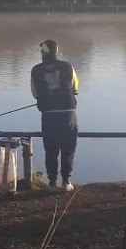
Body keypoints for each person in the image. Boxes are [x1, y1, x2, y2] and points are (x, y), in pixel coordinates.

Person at [30, 39, 79, 191]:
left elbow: (35, 94)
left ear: (43, 53)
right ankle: (66, 182)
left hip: (49, 114)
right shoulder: (68, 66)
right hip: (68, 114)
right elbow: (76, 88)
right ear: (56, 51)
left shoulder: (36, 70)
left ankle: (52, 183)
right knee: (68, 149)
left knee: (51, 150)